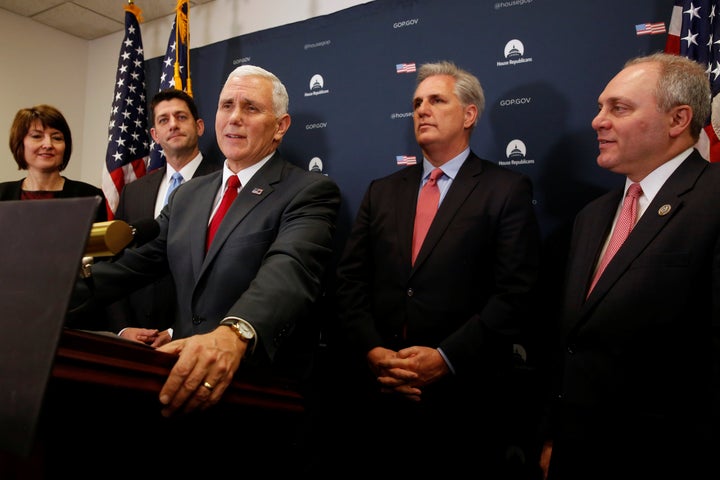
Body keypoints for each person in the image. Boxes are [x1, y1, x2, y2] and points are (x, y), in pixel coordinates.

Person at [70, 65, 341, 472]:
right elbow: (133, 266)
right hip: (179, 389)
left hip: (256, 400)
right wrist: (49, 298)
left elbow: (290, 270)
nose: (234, 117)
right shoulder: (188, 195)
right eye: (226, 105)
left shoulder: (308, 191)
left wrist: (235, 333)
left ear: (281, 126)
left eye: (250, 107)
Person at [331, 60, 542, 476]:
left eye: (436, 100)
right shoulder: (382, 191)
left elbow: (516, 293)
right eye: (416, 103)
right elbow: (350, 281)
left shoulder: (505, 190)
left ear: (469, 115)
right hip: (381, 394)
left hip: (465, 400)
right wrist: (374, 352)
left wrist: (446, 358)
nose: (422, 110)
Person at [538, 52, 720, 480]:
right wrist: (551, 436)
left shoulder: (714, 199)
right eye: (601, 107)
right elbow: (570, 341)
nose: (597, 121)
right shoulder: (592, 216)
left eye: (618, 108)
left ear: (678, 120)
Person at [105, 88, 219, 346]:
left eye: (181, 117)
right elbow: (115, 261)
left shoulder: (223, 183)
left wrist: (176, 331)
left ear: (199, 126)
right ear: (155, 135)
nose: (173, 125)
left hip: (195, 338)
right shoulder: (134, 191)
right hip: (135, 338)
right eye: (164, 120)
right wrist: (123, 328)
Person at [0, 104, 106, 223]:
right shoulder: (2, 194)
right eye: (37, 136)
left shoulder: (91, 196)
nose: (48, 144)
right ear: (20, 144)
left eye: (57, 138)